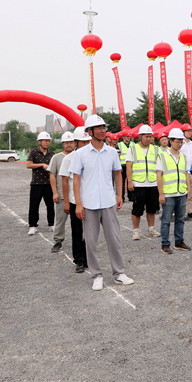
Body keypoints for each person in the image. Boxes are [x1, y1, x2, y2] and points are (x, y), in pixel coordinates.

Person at [69, 115, 133, 291]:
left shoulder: (111, 152)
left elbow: (118, 173)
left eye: (104, 127)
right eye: (99, 128)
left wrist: (119, 195)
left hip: (108, 202)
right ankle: (96, 275)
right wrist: (78, 204)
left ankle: (119, 273)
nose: (103, 130)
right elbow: (76, 179)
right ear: (90, 132)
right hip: (89, 204)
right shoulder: (80, 154)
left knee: (114, 239)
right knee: (91, 242)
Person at [59, 127, 90, 273]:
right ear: (76, 142)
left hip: (90, 201)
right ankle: (79, 260)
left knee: (90, 231)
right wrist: (66, 202)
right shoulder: (68, 159)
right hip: (74, 201)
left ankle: (88, 258)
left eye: (88, 141)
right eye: (83, 142)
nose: (86, 144)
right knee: (77, 231)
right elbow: (65, 182)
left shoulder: (92, 157)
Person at [157, 128, 190, 254]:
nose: (180, 144)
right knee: (166, 221)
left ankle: (179, 241)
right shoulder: (162, 156)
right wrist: (161, 194)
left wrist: (188, 188)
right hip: (168, 194)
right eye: (177, 141)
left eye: (181, 142)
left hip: (181, 193)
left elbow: (186, 173)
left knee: (180, 219)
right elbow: (159, 175)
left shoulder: (183, 157)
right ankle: (165, 244)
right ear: (171, 141)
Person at [126, 125, 160, 241]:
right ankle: (136, 231)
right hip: (138, 184)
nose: (149, 139)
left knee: (152, 208)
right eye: (146, 136)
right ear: (140, 136)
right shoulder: (132, 149)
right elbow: (129, 166)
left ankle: (151, 229)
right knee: (137, 209)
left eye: (150, 136)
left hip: (152, 183)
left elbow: (159, 167)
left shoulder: (156, 149)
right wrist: (130, 182)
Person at [48, 132, 75, 253]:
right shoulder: (57, 157)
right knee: (60, 220)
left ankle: (81, 240)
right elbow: (52, 175)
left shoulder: (79, 156)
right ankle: (58, 241)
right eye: (67, 143)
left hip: (76, 195)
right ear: (63, 144)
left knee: (79, 220)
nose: (69, 145)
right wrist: (55, 192)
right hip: (62, 195)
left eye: (71, 142)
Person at [26, 131, 55, 235]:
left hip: (49, 183)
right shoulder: (34, 152)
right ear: (39, 141)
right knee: (34, 205)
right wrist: (42, 164)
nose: (47, 143)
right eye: (45, 141)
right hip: (36, 183)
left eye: (48, 141)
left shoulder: (52, 154)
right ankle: (32, 226)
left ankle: (52, 224)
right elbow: (29, 165)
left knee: (50, 205)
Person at [180, 124, 192, 220]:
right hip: (182, 171)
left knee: (191, 192)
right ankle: (180, 212)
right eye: (187, 131)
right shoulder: (180, 143)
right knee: (181, 192)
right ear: (183, 132)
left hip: (191, 171)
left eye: (190, 131)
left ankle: (190, 211)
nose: (189, 132)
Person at [118, 130, 131, 203]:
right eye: (127, 136)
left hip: (131, 165)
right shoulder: (119, 145)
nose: (128, 138)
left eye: (129, 136)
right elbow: (118, 156)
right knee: (122, 182)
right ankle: (122, 197)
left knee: (130, 181)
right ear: (123, 137)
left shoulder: (133, 144)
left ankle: (131, 196)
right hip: (122, 165)